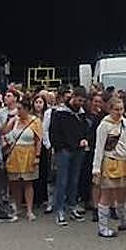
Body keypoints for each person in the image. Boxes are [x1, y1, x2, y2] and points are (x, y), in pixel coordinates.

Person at [91, 95, 126, 237]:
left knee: (122, 194)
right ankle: (103, 227)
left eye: (121, 109)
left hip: (124, 161)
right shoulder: (104, 125)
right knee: (106, 195)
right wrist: (96, 168)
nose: (119, 112)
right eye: (116, 109)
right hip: (110, 162)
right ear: (110, 110)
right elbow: (99, 147)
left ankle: (123, 221)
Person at [48, 89, 89, 226]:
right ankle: (59, 210)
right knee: (62, 181)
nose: (80, 103)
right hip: (64, 151)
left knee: (74, 180)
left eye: (83, 101)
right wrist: (60, 147)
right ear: (73, 97)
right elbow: (54, 132)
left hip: (78, 150)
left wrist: (84, 139)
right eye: (79, 100)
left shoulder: (81, 113)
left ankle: (72, 207)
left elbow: (85, 130)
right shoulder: (60, 112)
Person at [4, 98, 42, 221]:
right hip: (15, 153)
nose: (18, 111)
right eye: (17, 108)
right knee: (14, 182)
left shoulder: (35, 121)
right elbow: (4, 132)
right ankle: (17, 207)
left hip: (28, 153)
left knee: (28, 182)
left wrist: (37, 156)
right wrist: (10, 121)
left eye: (20, 109)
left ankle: (29, 210)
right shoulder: (15, 120)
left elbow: (38, 141)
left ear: (27, 109)